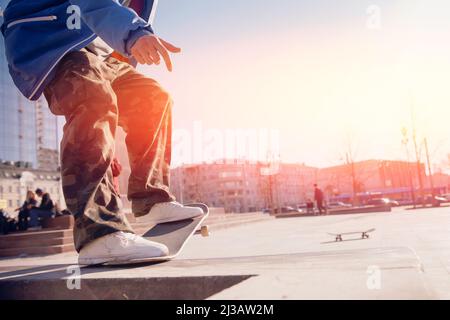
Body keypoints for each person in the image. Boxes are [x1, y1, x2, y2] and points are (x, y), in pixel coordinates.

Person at [1, 0, 204, 265]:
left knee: (152, 98)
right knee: (93, 99)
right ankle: (98, 233)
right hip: (49, 41)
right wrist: (134, 35)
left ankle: (151, 199)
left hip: (99, 55)